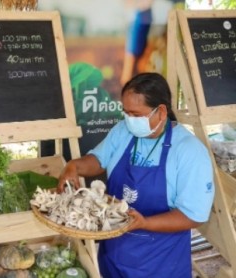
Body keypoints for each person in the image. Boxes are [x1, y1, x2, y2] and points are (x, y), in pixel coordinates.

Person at [57, 72, 215, 277]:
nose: (129, 120)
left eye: (136, 114)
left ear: (161, 111)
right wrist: (74, 166)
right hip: (114, 255)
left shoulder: (189, 151)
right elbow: (99, 160)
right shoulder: (123, 131)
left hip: (160, 263)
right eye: (126, 113)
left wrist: (145, 223)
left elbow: (194, 216)